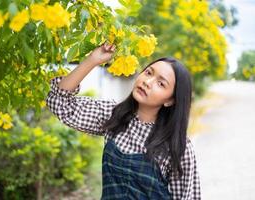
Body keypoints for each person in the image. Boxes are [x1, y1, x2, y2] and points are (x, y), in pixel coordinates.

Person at [46, 43, 201, 199]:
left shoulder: (177, 147)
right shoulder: (113, 114)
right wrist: (93, 60)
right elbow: (59, 103)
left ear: (170, 100)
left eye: (161, 83)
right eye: (148, 73)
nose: (147, 82)